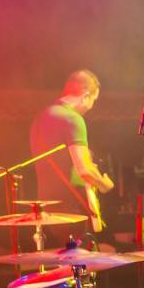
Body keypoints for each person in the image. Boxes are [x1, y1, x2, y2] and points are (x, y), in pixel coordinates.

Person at [30, 70, 114, 220]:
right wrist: (104, 185)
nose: (91, 106)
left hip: (44, 208)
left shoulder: (40, 118)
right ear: (86, 96)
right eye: (93, 100)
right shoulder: (72, 119)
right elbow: (84, 170)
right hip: (69, 208)